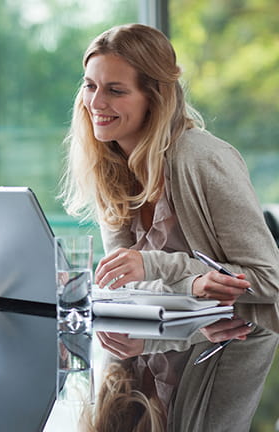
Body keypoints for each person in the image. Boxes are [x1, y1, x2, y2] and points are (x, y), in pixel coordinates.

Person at [59, 23, 279, 329]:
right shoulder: (108, 165)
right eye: (90, 86)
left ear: (155, 97)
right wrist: (189, 285)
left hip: (240, 339)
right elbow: (124, 287)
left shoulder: (205, 158)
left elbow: (270, 280)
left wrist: (153, 265)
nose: (95, 103)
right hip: (162, 342)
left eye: (115, 90)